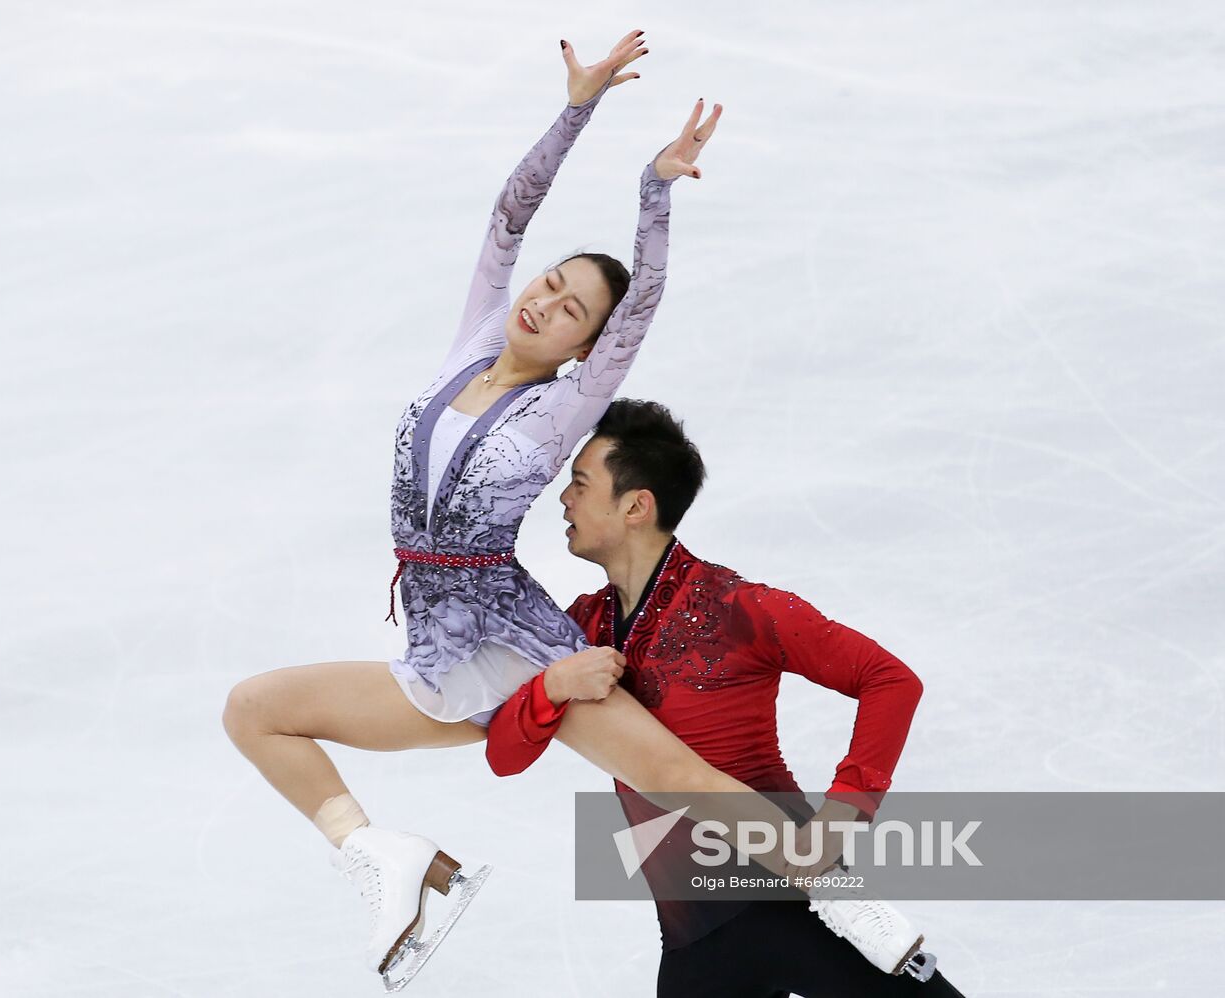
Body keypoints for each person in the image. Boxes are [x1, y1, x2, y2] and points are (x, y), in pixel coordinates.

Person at [221, 30, 741, 985]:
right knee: (254, 711)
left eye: (573, 309)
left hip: (515, 645)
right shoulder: (471, 338)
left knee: (682, 783)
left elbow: (645, 298)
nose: (546, 301)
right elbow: (510, 214)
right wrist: (577, 105)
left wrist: (654, 191)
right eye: (551, 281)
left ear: (590, 345)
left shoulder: (566, 403)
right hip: (433, 644)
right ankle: (387, 862)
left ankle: (852, 907)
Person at [485, 399, 967, 996]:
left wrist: (841, 817)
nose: (564, 499)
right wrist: (553, 686)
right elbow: (503, 753)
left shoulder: (736, 607)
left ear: (637, 506)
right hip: (695, 942)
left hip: (801, 900)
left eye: (580, 484)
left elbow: (891, 681)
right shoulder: (578, 632)